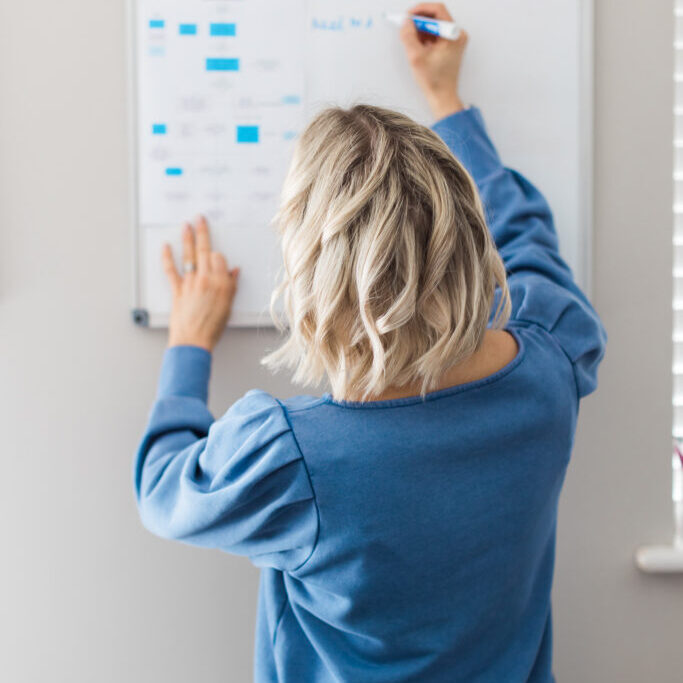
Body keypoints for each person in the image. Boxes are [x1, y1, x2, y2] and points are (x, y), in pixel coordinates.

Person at [133, 3, 606, 681]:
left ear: (312, 282)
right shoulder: (550, 367)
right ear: (471, 243)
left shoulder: (294, 458)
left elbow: (162, 485)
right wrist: (445, 100)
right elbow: (529, 243)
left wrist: (188, 345)